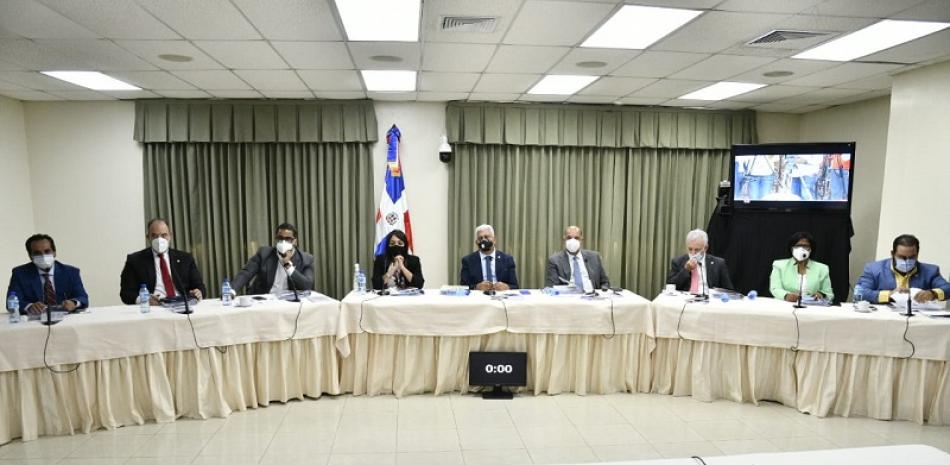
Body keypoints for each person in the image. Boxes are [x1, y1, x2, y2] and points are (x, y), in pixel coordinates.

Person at [120, 218, 205, 305]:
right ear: (147, 237)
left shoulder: (185, 259)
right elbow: (126, 293)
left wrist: (198, 292)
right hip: (153, 308)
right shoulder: (135, 260)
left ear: (170, 236)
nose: (159, 240)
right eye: (154, 236)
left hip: (182, 305)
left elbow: (199, 286)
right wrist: (144, 300)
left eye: (164, 235)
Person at [6, 234, 89, 314]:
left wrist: (74, 303)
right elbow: (10, 303)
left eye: (47, 251)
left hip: (65, 320)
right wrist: (29, 306)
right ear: (30, 256)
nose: (43, 256)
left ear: (54, 252)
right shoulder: (20, 274)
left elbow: (83, 298)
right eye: (37, 253)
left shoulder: (71, 272)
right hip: (34, 321)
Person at [855, 234, 950, 304]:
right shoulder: (873, 269)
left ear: (917, 254)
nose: (907, 261)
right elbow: (861, 293)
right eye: (902, 257)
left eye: (912, 257)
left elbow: (947, 289)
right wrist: (889, 295)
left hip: (917, 319)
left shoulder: (930, 271)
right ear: (892, 254)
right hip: (883, 318)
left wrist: (933, 293)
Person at [231, 223, 315, 295]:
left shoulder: (306, 259)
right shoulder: (264, 253)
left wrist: (287, 265)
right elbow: (246, 273)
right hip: (264, 299)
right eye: (280, 238)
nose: (283, 242)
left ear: (295, 242)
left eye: (288, 239)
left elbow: (306, 286)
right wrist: (232, 291)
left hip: (289, 303)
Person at [769, 231, 833, 303]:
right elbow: (775, 288)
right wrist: (786, 295)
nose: (801, 249)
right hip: (785, 306)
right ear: (791, 248)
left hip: (811, 307)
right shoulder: (779, 265)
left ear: (811, 249)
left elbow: (829, 294)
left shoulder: (822, 268)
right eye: (797, 246)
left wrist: (821, 295)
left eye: (805, 246)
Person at [666, 229, 734, 293]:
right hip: (685, 300)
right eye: (690, 249)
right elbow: (670, 286)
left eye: (697, 250)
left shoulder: (719, 263)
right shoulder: (678, 261)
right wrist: (686, 270)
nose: (693, 253)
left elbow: (729, 290)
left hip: (709, 301)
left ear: (705, 248)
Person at [544, 225, 609, 291]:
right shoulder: (555, 260)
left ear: (581, 240)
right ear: (564, 239)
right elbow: (552, 287)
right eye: (569, 238)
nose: (573, 241)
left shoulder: (594, 257)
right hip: (568, 298)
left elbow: (605, 282)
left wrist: (603, 292)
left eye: (576, 238)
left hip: (592, 297)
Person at [459, 224, 518, 291]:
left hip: (501, 296)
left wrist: (506, 287)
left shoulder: (507, 259)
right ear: (476, 242)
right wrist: (476, 287)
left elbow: (515, 286)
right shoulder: (468, 261)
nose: (483, 240)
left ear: (494, 240)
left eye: (486, 237)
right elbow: (463, 286)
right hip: (478, 297)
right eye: (480, 238)